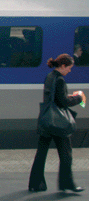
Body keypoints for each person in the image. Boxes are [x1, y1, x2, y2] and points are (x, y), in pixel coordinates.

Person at [29, 54, 86, 193]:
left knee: (41, 154)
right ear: (63, 66)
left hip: (46, 120)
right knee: (66, 154)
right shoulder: (60, 80)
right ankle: (67, 183)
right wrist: (79, 98)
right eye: (69, 68)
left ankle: (36, 184)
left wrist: (68, 97)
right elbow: (63, 102)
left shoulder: (50, 76)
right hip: (58, 123)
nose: (70, 71)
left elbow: (55, 98)